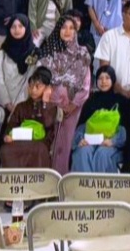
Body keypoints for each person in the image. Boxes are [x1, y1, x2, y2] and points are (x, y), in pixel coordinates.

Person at [36, 16, 92, 174]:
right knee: (46, 142)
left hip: (72, 108)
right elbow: (39, 79)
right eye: (63, 27)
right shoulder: (48, 52)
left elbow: (86, 83)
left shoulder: (82, 54)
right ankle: (44, 184)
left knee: (64, 146)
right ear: (57, 30)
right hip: (49, 105)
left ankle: (61, 183)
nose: (67, 31)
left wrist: (73, 104)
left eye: (71, 28)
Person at [71, 66, 127, 174]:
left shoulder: (121, 101)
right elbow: (82, 125)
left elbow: (124, 127)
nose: (103, 81)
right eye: (100, 78)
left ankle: (104, 189)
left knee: (103, 153)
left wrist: (113, 141)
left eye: (107, 78)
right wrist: (81, 140)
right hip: (90, 143)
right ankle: (84, 188)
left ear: (113, 80)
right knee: (82, 152)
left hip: (111, 145)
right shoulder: (91, 101)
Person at [0, 68, 58, 169]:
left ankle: (36, 183)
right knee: (5, 150)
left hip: (40, 142)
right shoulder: (21, 106)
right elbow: (11, 126)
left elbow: (48, 124)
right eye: (31, 86)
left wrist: (45, 102)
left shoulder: (51, 107)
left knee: (39, 150)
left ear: (47, 88)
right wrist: (7, 136)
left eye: (37, 87)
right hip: (19, 142)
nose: (33, 90)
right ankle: (14, 182)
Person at [0, 15, 36, 113]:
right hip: (3, 104)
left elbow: (30, 80)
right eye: (13, 26)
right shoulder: (2, 51)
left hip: (24, 103)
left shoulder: (33, 53)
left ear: (27, 28)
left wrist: (18, 104)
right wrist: (7, 103)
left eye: (20, 26)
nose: (17, 30)